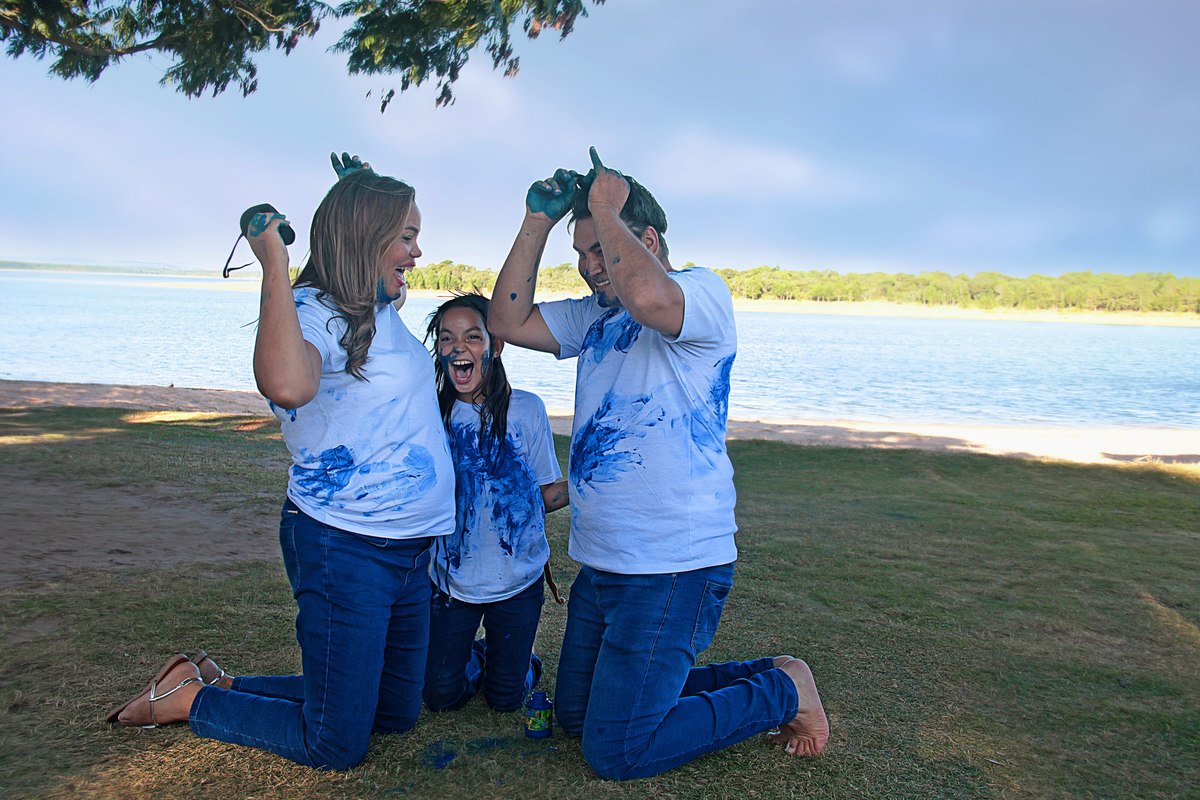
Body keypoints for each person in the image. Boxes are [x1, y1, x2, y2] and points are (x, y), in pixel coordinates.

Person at [488, 147, 830, 780]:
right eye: (583, 255)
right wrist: (538, 218)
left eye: (600, 249)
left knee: (617, 750)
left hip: (673, 562)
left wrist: (601, 206)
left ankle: (785, 695)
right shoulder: (594, 317)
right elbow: (505, 320)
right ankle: (773, 672)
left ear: (643, 237)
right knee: (577, 716)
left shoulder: (701, 293)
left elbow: (649, 298)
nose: (591, 268)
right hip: (604, 561)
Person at [106, 158, 456, 771]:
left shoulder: (375, 307)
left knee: (397, 714)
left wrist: (361, 186)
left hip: (409, 548)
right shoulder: (312, 314)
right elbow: (289, 385)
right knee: (335, 745)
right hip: (345, 546)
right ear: (364, 240)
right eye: (405, 237)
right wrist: (273, 262)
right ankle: (189, 701)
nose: (418, 252)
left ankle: (223, 682)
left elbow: (357, 243)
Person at [421, 293, 569, 714]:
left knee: (506, 700)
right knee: (440, 697)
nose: (457, 348)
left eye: (472, 336)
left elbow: (542, 494)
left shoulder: (527, 410)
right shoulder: (431, 414)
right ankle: (485, 654)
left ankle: (521, 661)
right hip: (451, 583)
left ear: (496, 344)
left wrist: (584, 483)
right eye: (447, 338)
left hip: (518, 581)